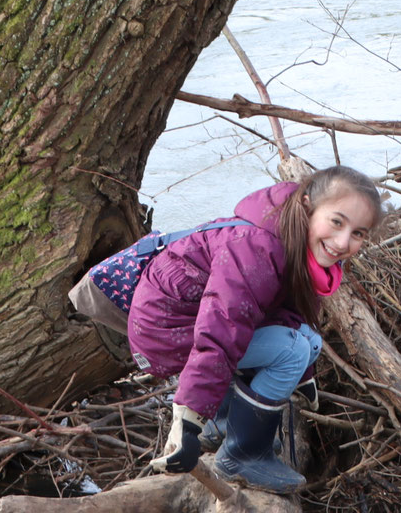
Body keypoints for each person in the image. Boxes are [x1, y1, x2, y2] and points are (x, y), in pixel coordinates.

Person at [126, 165, 382, 492]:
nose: (343, 241)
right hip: (167, 330)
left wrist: (305, 375)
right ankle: (242, 456)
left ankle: (221, 422)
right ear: (307, 205)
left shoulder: (293, 232)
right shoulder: (258, 247)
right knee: (290, 351)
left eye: (358, 233)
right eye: (337, 222)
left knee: (307, 340)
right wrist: (186, 425)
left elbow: (292, 310)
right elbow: (220, 332)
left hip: (192, 318)